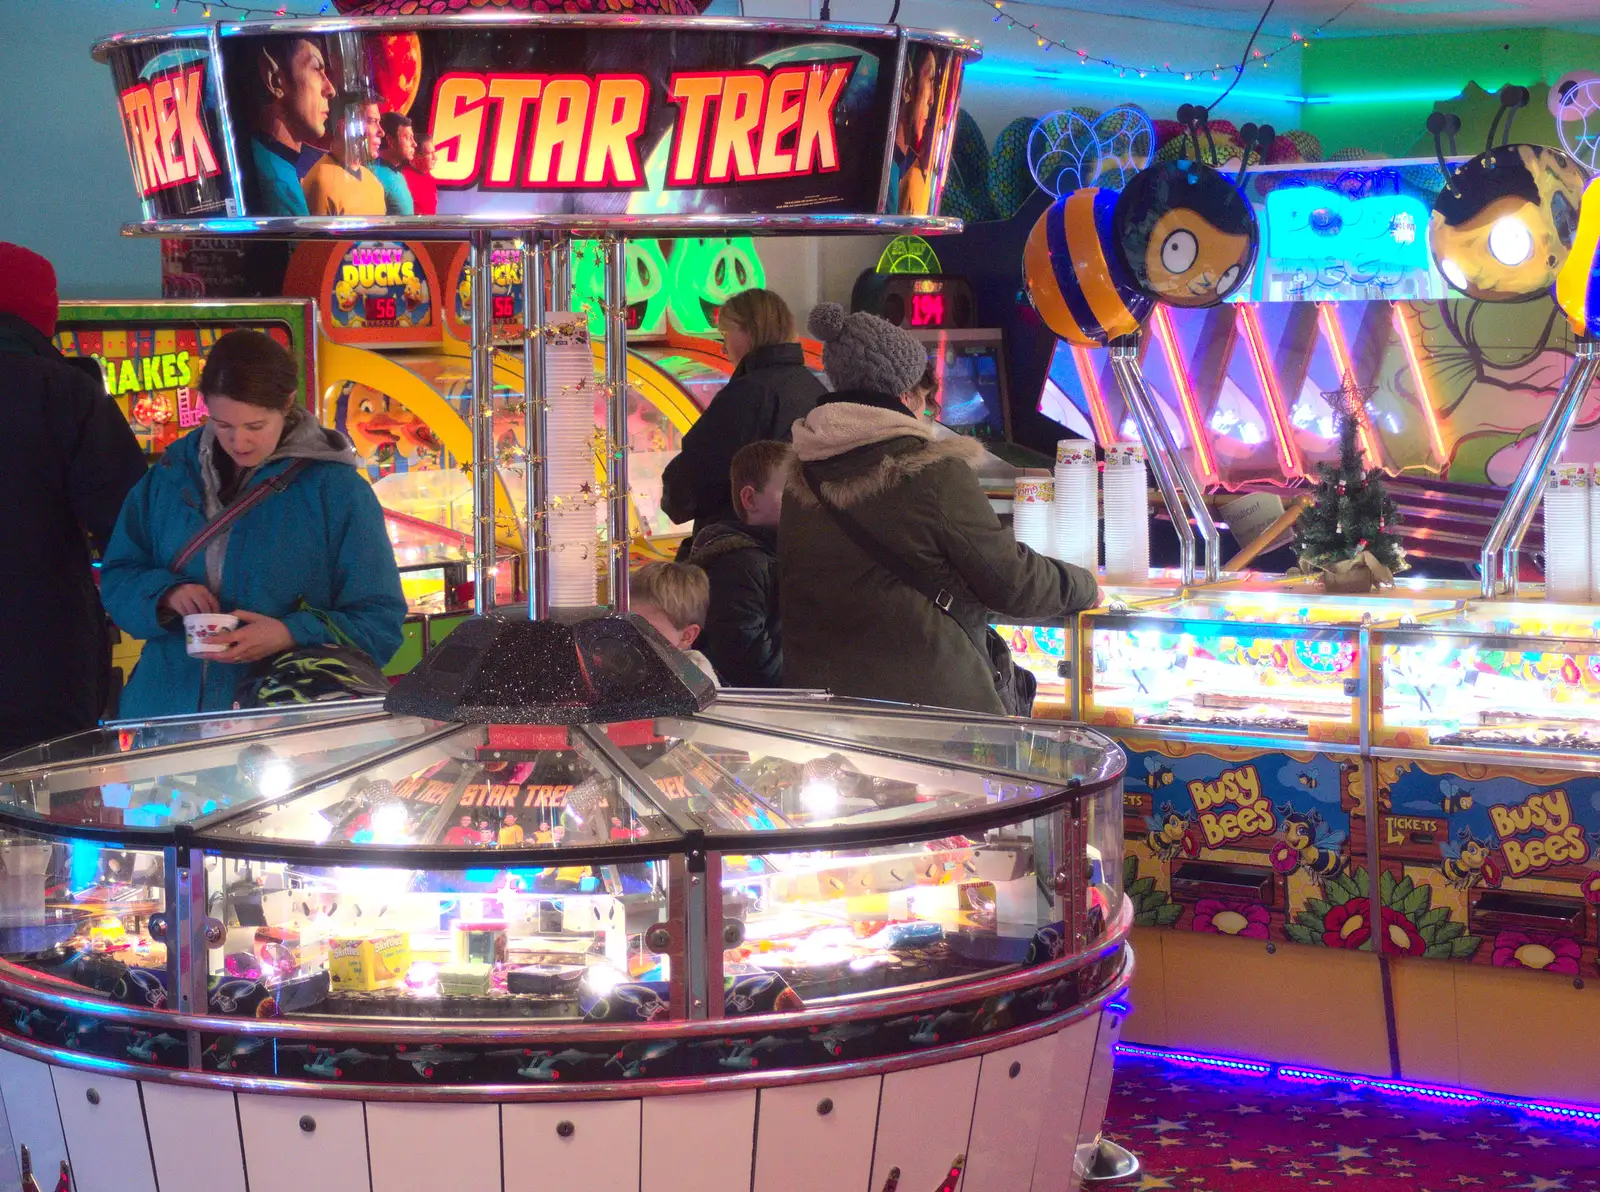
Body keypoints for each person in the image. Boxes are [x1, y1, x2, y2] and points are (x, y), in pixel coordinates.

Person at [781, 304, 1099, 714]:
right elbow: (1011, 582)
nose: (930, 414)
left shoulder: (801, 476)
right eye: (927, 400)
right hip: (928, 712)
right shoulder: (931, 473)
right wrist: (1084, 585)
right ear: (906, 395)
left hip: (825, 707)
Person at [100, 329, 406, 718]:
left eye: (255, 426)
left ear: (288, 404)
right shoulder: (168, 476)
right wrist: (164, 594)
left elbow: (380, 621)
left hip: (282, 725)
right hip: (165, 715)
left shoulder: (338, 491)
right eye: (222, 425)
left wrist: (289, 633)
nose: (238, 441)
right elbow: (118, 575)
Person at [0, 244, 147, 756]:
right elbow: (129, 522)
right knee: (44, 821)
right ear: (42, 312)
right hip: (42, 660)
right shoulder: (67, 392)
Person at [661, 289, 824, 543]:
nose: (724, 348)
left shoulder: (749, 393)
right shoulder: (813, 386)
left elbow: (699, 471)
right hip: (800, 541)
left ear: (751, 331)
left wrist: (671, 499)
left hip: (742, 541)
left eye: (725, 334)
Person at [687, 440, 789, 688]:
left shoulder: (774, 554)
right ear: (750, 499)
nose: (801, 501)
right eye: (789, 491)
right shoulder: (738, 565)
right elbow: (749, 663)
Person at [246, 36, 334, 216]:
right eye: (316, 69)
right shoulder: (276, 185)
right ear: (275, 80)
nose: (330, 89)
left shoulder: (271, 164)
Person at [631, 561, 719, 686]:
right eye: (628, 625)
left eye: (648, 631)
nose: (632, 638)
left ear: (686, 636)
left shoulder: (694, 685)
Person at [301, 92, 386, 217]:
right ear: (345, 127)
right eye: (372, 121)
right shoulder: (321, 183)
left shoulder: (375, 183)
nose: (381, 132)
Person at [373, 112, 417, 216]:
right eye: (407, 137)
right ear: (391, 141)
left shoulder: (397, 175)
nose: (414, 144)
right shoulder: (373, 175)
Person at [403, 135, 440, 216]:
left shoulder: (429, 178)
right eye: (430, 153)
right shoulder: (402, 179)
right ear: (417, 155)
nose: (435, 158)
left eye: (435, 152)